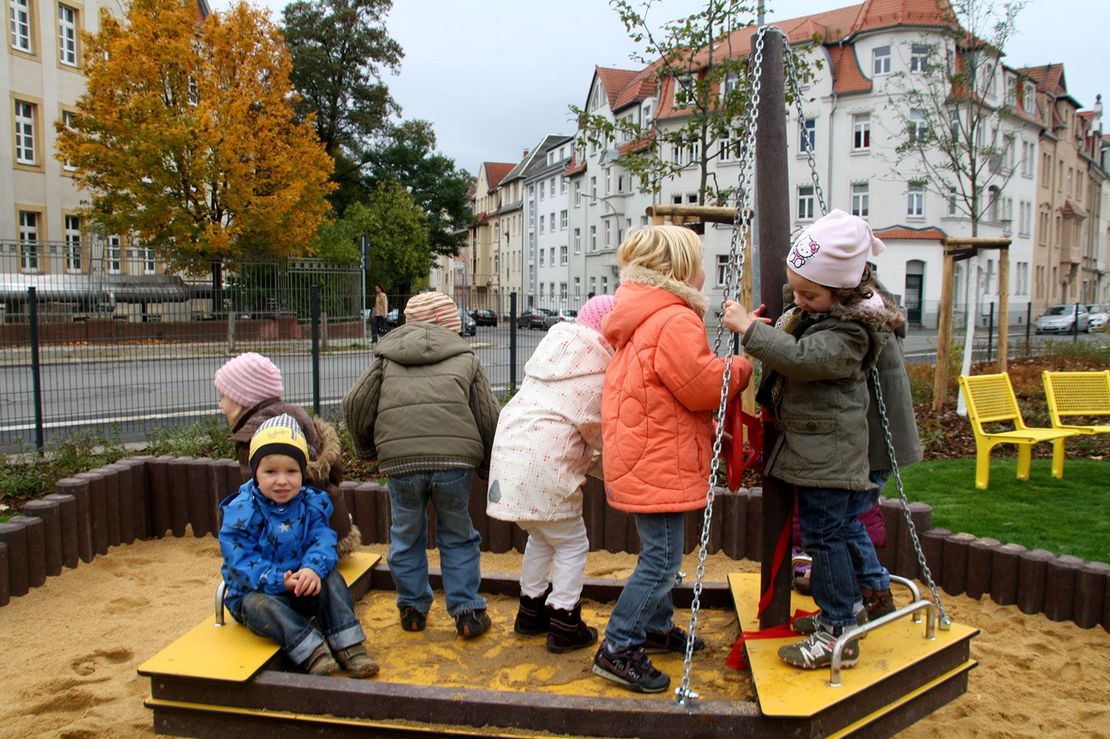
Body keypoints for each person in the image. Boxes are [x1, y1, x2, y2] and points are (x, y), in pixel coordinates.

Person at [722, 208, 899, 671]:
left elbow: (801, 357)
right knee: (829, 534)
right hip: (820, 449)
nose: (798, 300)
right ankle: (846, 610)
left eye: (808, 294)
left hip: (830, 455)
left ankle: (838, 629)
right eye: (795, 289)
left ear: (840, 292)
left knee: (825, 538)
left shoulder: (850, 331)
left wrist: (751, 330)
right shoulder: (826, 307)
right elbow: (803, 296)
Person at [592, 226, 753, 693]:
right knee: (662, 560)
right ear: (679, 270)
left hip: (644, 450)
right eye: (701, 263)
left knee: (661, 552)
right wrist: (741, 367)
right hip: (660, 454)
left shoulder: (642, 314)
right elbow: (703, 386)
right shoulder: (674, 320)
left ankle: (655, 626)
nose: (707, 272)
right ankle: (619, 646)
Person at [343, 291, 500, 639]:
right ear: (451, 327)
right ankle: (467, 611)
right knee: (458, 535)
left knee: (406, 534)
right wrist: (487, 464)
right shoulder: (466, 359)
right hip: (454, 461)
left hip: (401, 463)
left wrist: (367, 448)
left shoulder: (386, 360)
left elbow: (354, 403)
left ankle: (412, 608)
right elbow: (488, 415)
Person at [791, 278, 923, 632]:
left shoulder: (856, 324)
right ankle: (866, 596)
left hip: (871, 445)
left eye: (808, 293)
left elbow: (812, 362)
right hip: (876, 442)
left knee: (842, 521)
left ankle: (869, 595)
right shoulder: (869, 305)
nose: (800, 300)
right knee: (846, 520)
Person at [486, 294, 617, 654]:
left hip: (510, 464)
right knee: (573, 544)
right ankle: (564, 622)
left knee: (541, 537)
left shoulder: (550, 359)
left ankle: (530, 611)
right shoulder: (594, 371)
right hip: (546, 472)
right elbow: (600, 435)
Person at [218, 414, 379, 678]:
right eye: (271, 472)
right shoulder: (243, 510)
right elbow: (240, 561)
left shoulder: (310, 502)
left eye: (291, 471)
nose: (282, 481)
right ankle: (312, 650)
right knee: (261, 605)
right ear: (254, 472)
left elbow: (323, 539)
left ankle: (349, 645)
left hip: (302, 583)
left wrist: (312, 570)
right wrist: (281, 581)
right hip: (258, 590)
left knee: (331, 579)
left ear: (302, 472)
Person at [214, 352, 360, 558]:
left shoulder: (255, 435)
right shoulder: (293, 414)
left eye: (223, 397)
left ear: (242, 398)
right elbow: (333, 468)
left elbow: (260, 495)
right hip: (335, 527)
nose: (220, 405)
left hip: (301, 541)